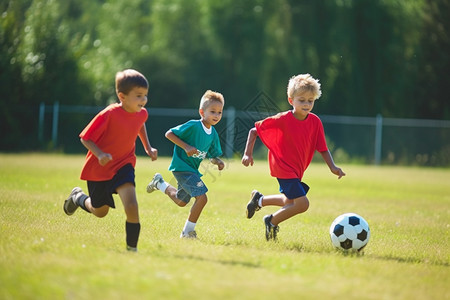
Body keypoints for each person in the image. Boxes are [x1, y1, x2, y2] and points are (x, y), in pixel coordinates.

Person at [241, 73, 345, 241]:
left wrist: (333, 167)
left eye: (310, 100)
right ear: (291, 100)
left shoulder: (315, 122)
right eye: (301, 100)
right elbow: (254, 131)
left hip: (297, 169)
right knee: (302, 204)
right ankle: (271, 221)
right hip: (282, 167)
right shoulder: (283, 119)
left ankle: (259, 200)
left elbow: (323, 148)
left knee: (289, 201)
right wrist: (247, 153)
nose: (306, 104)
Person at [63, 69, 158, 252]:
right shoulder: (109, 114)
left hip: (124, 164)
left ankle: (132, 250)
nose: (143, 100)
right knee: (100, 211)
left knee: (131, 205)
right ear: (122, 96)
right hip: (99, 169)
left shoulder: (142, 113)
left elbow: (140, 124)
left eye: (145, 95)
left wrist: (148, 147)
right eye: (138, 96)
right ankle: (78, 197)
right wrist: (100, 155)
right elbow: (85, 137)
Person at [146, 90, 225, 239]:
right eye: (212, 111)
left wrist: (218, 162)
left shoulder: (213, 133)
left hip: (192, 171)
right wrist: (186, 147)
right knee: (202, 198)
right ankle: (187, 232)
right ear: (202, 112)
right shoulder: (194, 126)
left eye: (219, 112)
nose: (216, 115)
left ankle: (160, 183)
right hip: (182, 168)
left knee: (181, 201)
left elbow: (211, 156)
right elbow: (169, 134)